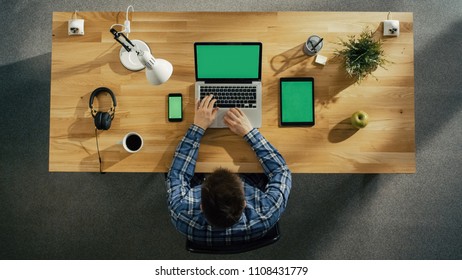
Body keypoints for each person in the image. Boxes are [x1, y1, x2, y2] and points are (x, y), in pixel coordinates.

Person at [166, 95, 292, 245]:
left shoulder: (181, 215)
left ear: (201, 205)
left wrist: (198, 127)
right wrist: (249, 132)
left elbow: (177, 175)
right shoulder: (267, 212)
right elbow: (282, 171)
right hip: (252, 180)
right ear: (245, 203)